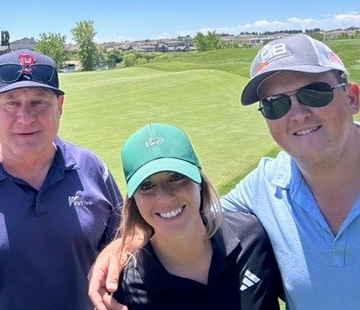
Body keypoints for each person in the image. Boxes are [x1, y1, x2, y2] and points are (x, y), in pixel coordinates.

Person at [89, 34, 360, 310]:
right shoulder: (263, 189)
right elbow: (180, 214)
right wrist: (122, 247)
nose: (297, 114)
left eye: (314, 93)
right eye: (275, 104)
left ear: (352, 97)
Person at [0, 49, 123, 310]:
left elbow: (126, 237)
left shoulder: (91, 168)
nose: (26, 117)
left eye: (39, 102)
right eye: (11, 102)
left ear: (60, 106)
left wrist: (120, 246)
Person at [112, 123, 282, 309]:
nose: (165, 197)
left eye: (176, 177)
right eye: (146, 186)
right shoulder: (127, 287)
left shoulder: (252, 237)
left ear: (199, 181)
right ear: (134, 200)